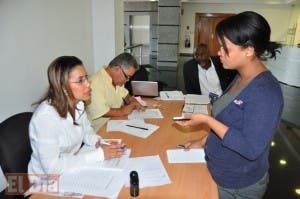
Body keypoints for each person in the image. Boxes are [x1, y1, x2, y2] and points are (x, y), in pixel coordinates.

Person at [177, 11, 283, 199]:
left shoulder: (266, 92)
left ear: (249, 50)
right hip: (218, 172)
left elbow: (250, 148)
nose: (219, 53)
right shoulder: (240, 77)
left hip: (237, 185)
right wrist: (202, 142)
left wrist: (207, 120)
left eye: (225, 49)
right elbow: (228, 123)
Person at [28, 56, 125, 176]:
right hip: (45, 181)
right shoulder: (45, 119)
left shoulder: (78, 103)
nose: (88, 84)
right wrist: (99, 155)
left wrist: (99, 142)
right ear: (63, 87)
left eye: (86, 78)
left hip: (72, 166)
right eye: (80, 81)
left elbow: (86, 131)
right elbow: (52, 168)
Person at [86, 52, 144, 129]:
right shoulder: (95, 83)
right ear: (117, 69)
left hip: (117, 122)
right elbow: (102, 111)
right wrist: (122, 111)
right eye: (127, 77)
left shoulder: (117, 80)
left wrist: (133, 101)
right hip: (100, 131)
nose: (127, 80)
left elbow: (126, 95)